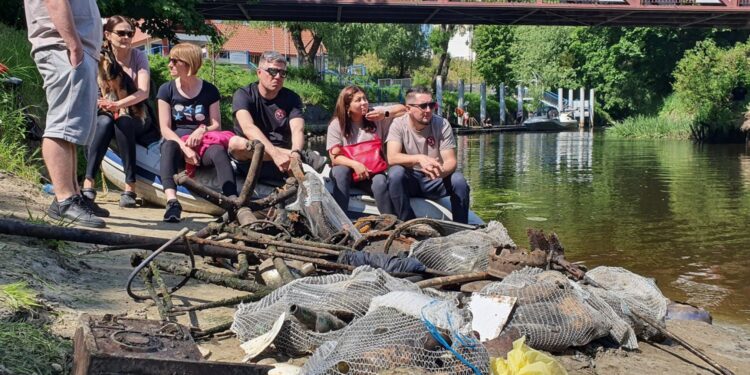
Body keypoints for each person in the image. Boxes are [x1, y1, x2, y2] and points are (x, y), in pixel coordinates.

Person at [24, 0, 105, 228]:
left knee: (71, 127)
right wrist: (74, 46)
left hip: (73, 49)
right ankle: (64, 200)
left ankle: (73, 195)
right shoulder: (68, 48)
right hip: (63, 47)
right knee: (62, 125)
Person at [82, 16, 159, 213]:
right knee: (105, 124)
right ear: (108, 35)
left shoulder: (138, 57)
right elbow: (89, 87)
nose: (126, 37)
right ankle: (88, 182)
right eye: (121, 33)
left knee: (123, 122)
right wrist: (103, 104)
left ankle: (130, 187)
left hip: (137, 113)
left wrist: (117, 104)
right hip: (106, 110)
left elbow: (143, 92)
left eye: (130, 33)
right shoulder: (97, 56)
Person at [156, 43, 236, 222]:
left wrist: (202, 130)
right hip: (178, 143)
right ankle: (172, 202)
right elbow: (165, 128)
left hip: (202, 144)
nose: (170, 64)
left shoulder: (209, 90)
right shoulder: (166, 90)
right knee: (168, 146)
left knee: (218, 151)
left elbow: (216, 124)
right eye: (170, 60)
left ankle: (232, 201)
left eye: (175, 61)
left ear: (189, 63)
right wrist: (185, 149)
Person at [232, 51, 324, 184]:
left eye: (282, 73)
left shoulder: (292, 98)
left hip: (285, 163)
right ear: (259, 73)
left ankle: (300, 157)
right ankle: (306, 157)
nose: (278, 77)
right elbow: (248, 128)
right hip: (251, 160)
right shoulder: (243, 95)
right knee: (236, 144)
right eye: (273, 71)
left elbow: (297, 129)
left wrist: (296, 152)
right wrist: (276, 154)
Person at [386, 86, 470, 224]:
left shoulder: (442, 124)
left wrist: (440, 171)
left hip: (435, 179)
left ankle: (461, 227)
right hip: (411, 178)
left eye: (432, 105)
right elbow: (392, 157)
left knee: (459, 181)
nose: (428, 110)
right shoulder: (398, 124)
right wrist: (419, 158)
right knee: (395, 173)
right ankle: (407, 224)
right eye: (423, 106)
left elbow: (451, 161)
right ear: (408, 109)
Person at [326, 85, 406, 214]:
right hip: (348, 172)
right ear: (347, 106)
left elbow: (403, 109)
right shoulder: (337, 124)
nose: (364, 103)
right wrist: (355, 164)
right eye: (358, 100)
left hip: (371, 172)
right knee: (340, 171)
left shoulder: (375, 116)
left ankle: (389, 222)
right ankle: (340, 220)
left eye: (365, 98)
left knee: (380, 181)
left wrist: (384, 113)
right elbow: (334, 157)